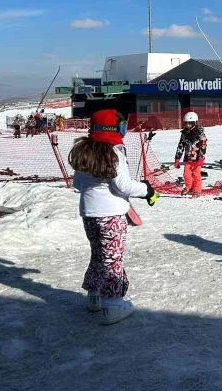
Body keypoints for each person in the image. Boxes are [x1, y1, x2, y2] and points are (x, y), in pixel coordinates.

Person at [69, 109, 159, 325]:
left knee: (99, 255)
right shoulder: (115, 152)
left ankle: (95, 296)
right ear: (114, 128)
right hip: (111, 215)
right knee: (113, 259)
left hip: (89, 214)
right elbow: (124, 186)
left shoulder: (84, 151)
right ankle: (113, 304)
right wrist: (147, 190)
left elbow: (77, 184)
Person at [174, 112, 208, 196]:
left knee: (196, 175)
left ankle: (197, 190)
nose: (188, 125)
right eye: (186, 123)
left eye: (190, 123)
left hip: (197, 158)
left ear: (195, 123)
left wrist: (201, 157)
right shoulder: (184, 134)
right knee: (186, 174)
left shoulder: (200, 133)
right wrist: (177, 159)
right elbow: (180, 146)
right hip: (188, 158)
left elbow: (203, 146)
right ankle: (189, 187)